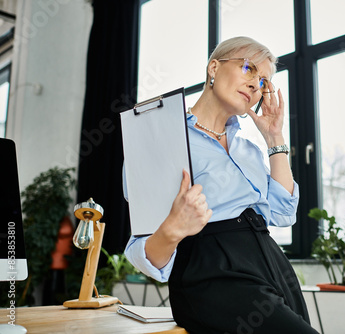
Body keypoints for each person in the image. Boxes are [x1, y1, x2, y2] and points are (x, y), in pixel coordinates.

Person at [124, 36, 319, 334]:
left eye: (265, 81)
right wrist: (174, 227)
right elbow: (144, 255)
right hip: (214, 273)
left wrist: (275, 138)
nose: (256, 85)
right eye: (248, 69)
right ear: (213, 67)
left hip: (272, 265)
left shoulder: (249, 150)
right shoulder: (163, 140)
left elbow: (282, 213)